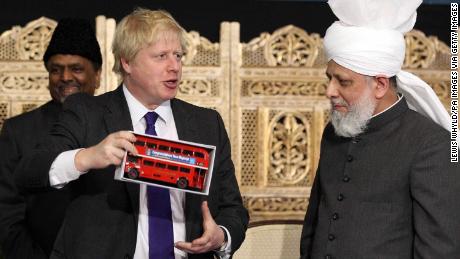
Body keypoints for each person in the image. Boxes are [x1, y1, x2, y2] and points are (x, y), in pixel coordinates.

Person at [14, 8, 248, 259]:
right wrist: (86, 157)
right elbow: (29, 171)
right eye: (161, 56)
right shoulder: (87, 111)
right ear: (127, 62)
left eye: (178, 56)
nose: (174, 67)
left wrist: (221, 236)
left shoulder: (207, 123)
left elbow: (233, 207)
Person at [300, 0, 460, 258]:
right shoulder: (334, 131)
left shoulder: (431, 145)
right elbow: (315, 224)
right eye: (329, 78)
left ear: (380, 85)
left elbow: (440, 250)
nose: (330, 91)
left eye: (343, 82)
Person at [0, 18, 102, 258]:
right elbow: (6, 215)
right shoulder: (18, 131)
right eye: (56, 69)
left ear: (97, 75)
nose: (65, 77)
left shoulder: (118, 124)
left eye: (76, 68)